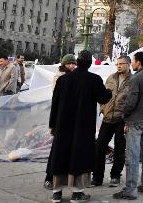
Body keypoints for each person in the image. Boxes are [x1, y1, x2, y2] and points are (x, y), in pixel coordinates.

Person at [48, 50, 112, 203]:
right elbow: (103, 97)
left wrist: (52, 125)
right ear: (90, 63)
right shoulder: (94, 79)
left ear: (77, 61)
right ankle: (77, 193)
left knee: (61, 154)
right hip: (83, 126)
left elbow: (55, 104)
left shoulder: (63, 80)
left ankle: (56, 193)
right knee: (80, 155)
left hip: (63, 125)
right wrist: (109, 90)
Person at [113, 51, 143, 200]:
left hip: (135, 123)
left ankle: (130, 189)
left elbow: (130, 102)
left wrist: (125, 116)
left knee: (132, 156)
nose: (132, 64)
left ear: (138, 62)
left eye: (133, 61)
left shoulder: (135, 78)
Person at [92, 56, 131, 187]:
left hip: (122, 119)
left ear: (129, 64)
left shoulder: (134, 80)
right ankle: (97, 178)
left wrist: (128, 120)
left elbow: (133, 101)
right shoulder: (110, 78)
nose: (119, 66)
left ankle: (115, 176)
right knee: (99, 147)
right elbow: (103, 94)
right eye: (117, 64)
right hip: (107, 118)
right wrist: (103, 108)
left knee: (119, 149)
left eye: (121, 64)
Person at [44, 54, 77, 190]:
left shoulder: (72, 77)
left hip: (69, 119)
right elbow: (57, 101)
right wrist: (52, 125)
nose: (72, 66)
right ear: (64, 64)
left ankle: (60, 179)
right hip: (61, 119)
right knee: (56, 151)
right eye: (69, 63)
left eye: (73, 63)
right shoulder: (59, 78)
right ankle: (50, 178)